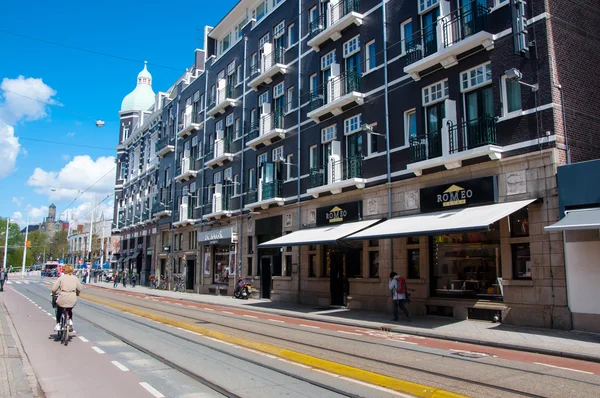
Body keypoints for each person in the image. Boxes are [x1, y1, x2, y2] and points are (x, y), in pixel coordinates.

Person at [51, 264, 82, 332]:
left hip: (63, 296)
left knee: (59, 309)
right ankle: (70, 320)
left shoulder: (61, 278)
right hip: (72, 297)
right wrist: (77, 293)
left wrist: (53, 293)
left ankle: (58, 324)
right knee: (69, 309)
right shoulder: (75, 278)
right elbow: (79, 288)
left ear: (65, 270)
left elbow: (54, 288)